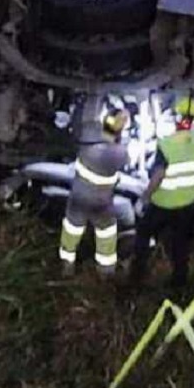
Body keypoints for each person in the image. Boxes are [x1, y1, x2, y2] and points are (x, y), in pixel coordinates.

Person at [130, 94, 194, 290]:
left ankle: (137, 275)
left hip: (164, 202)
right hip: (189, 202)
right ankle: (179, 283)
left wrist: (144, 198)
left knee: (143, 232)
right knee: (180, 243)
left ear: (176, 118)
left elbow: (158, 176)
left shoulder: (166, 144)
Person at [58, 97, 131, 277]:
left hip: (79, 198)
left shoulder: (88, 136)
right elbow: (126, 164)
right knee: (106, 236)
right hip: (102, 202)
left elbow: (78, 126)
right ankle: (105, 273)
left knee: (71, 231)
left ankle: (66, 267)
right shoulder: (120, 152)